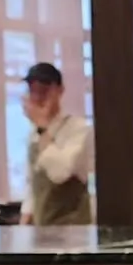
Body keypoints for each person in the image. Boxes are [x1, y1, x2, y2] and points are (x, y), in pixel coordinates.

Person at [20, 63, 94, 226]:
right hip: (41, 231)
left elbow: (60, 173)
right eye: (33, 91)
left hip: (74, 232)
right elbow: (32, 186)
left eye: (44, 91)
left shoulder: (78, 129)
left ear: (60, 91)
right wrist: (24, 225)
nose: (38, 97)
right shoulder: (33, 134)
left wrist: (42, 127)